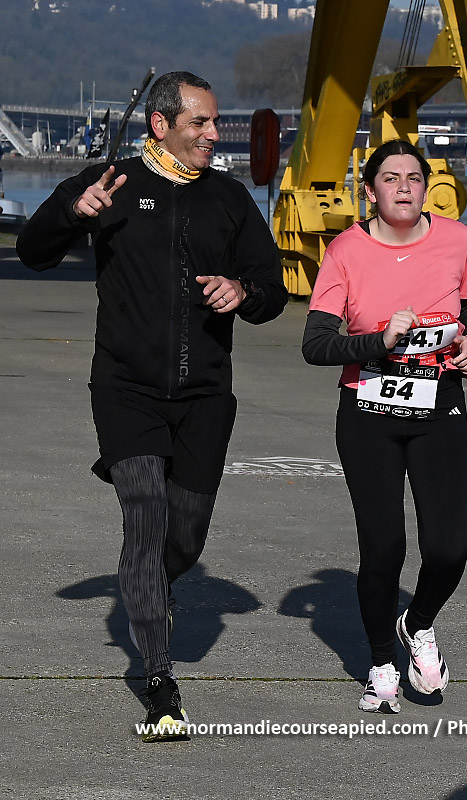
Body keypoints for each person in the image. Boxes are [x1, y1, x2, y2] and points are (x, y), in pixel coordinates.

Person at [17, 71, 287, 740]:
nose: (214, 134)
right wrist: (71, 214)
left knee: (182, 537)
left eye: (215, 122)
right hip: (126, 390)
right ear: (161, 125)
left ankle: (152, 583)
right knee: (143, 515)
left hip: (204, 395)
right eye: (201, 122)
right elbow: (32, 252)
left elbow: (272, 289)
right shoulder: (107, 185)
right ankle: (160, 683)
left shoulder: (227, 198)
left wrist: (243, 292)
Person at [302, 139, 467, 714]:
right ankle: (382, 661)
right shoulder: (346, 250)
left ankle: (418, 622)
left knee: (450, 547)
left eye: (414, 178)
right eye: (390, 178)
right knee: (384, 548)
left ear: (427, 187)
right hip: (368, 412)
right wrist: (378, 341)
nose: (403, 187)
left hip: (439, 404)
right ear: (370, 190)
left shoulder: (455, 238)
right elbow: (316, 344)